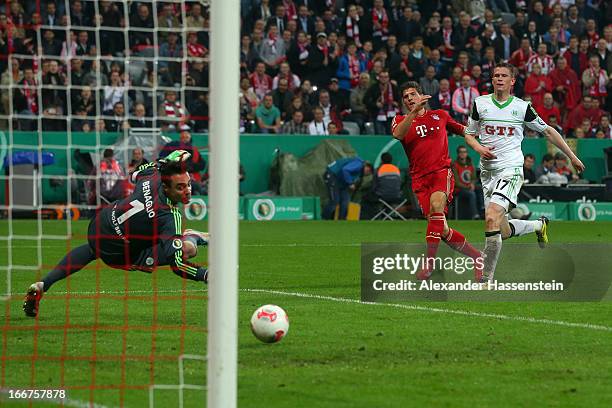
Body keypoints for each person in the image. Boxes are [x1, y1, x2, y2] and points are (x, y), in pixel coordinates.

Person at [23, 151, 209, 317]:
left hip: (101, 223)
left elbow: (135, 172)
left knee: (91, 250)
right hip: (120, 252)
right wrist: (205, 275)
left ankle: (43, 284)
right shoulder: (169, 216)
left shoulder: (152, 175)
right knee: (187, 250)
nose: (188, 191)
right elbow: (177, 265)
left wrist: (161, 163)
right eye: (180, 187)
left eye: (188, 184)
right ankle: (192, 237)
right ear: (167, 188)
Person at [465, 62, 585, 285]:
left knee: (490, 216)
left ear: (512, 81)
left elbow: (547, 131)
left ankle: (485, 279)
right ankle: (539, 225)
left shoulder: (521, 107)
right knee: (502, 230)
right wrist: (478, 147)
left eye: (504, 76)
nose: (499, 78)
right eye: (495, 75)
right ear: (492, 80)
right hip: (487, 173)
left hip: (510, 170)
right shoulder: (479, 103)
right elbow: (469, 134)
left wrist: (572, 156)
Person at [391, 81, 495, 281]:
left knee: (437, 206)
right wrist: (413, 113)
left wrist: (482, 145)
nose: (410, 99)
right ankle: (478, 258)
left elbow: (466, 131)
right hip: (419, 180)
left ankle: (429, 264)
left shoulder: (440, 116)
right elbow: (398, 134)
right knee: (442, 229)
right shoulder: (399, 120)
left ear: (422, 95)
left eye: (413, 94)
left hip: (441, 172)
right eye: (406, 97)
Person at [452, 145, 479, 219]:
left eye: (464, 152)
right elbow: (456, 183)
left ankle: (483, 210)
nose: (463, 154)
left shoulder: (471, 164)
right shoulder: (455, 165)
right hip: (459, 190)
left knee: (481, 190)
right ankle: (475, 214)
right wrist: (468, 187)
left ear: (467, 153)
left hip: (470, 187)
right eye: (461, 152)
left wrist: (472, 184)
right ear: (458, 153)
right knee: (471, 194)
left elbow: (474, 178)